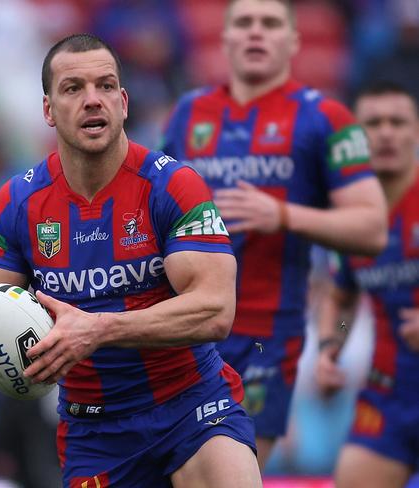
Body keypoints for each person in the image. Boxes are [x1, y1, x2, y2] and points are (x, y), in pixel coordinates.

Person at [0, 33, 262, 488]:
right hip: (93, 428)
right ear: (47, 110)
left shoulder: (173, 186)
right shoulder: (18, 202)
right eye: (73, 88)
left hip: (192, 405)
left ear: (123, 101)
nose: (92, 100)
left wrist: (98, 330)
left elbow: (216, 310)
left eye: (105, 86)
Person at [160, 0, 388, 469]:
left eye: (269, 23)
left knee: (232, 473)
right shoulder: (189, 113)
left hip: (266, 337)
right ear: (224, 40)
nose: (256, 33)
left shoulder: (326, 118)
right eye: (243, 23)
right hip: (184, 328)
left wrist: (284, 215)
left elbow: (371, 227)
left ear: (294, 40)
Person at [315, 81, 419, 488]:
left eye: (398, 121)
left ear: (415, 131)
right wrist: (331, 346)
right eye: (374, 123)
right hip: (388, 395)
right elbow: (343, 301)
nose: (387, 132)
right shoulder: (351, 218)